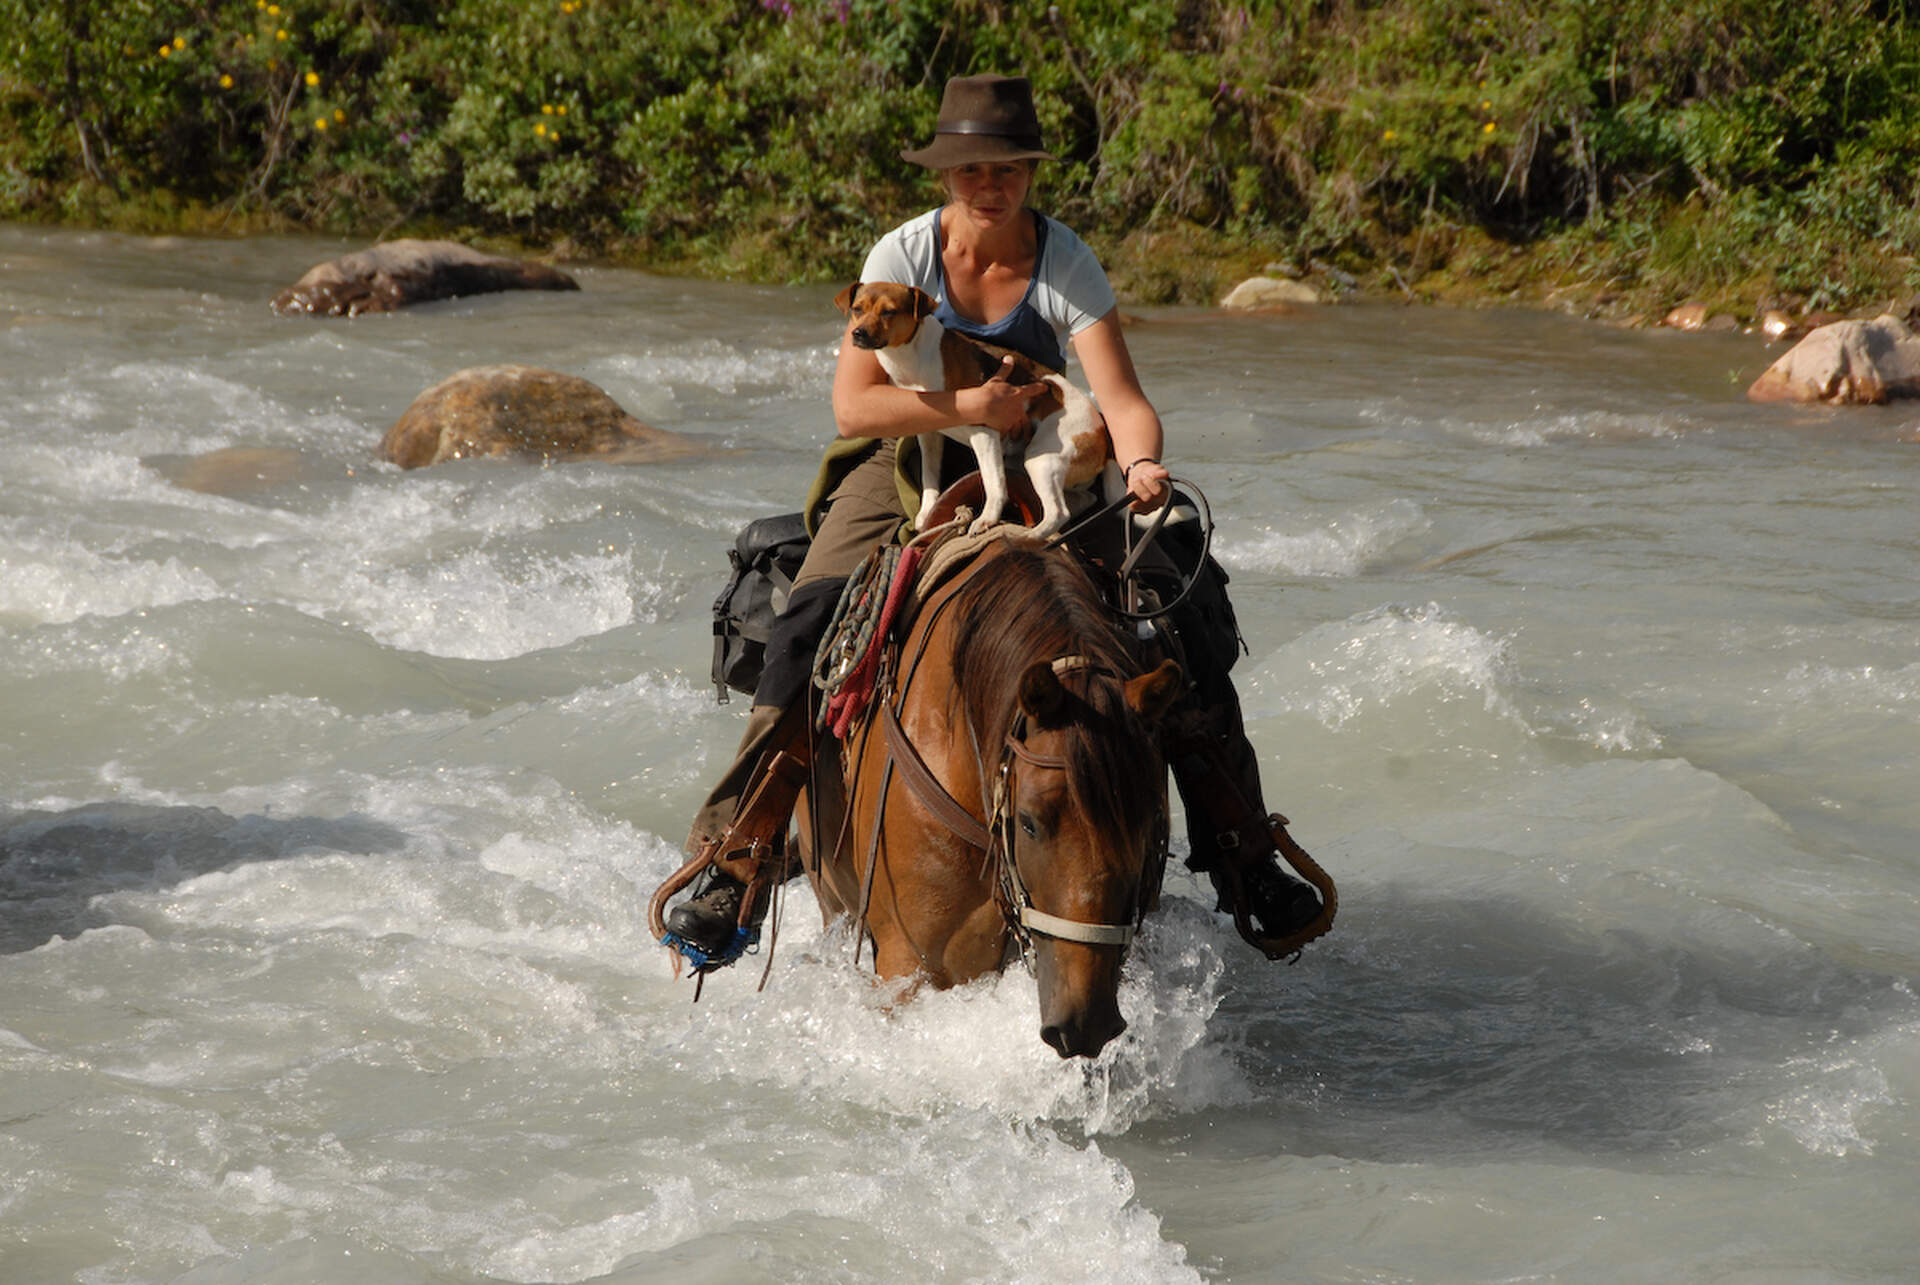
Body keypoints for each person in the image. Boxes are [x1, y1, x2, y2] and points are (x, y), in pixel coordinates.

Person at [665, 73, 1324, 964]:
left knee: (1180, 612)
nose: (991, 184)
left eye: (1008, 167)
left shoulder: (1066, 261)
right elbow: (855, 410)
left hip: (1050, 448)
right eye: (973, 168)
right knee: (809, 616)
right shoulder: (899, 257)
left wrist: (1140, 464)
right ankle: (737, 851)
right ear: (947, 176)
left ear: (1028, 174)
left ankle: (1243, 851)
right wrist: (971, 405)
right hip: (910, 461)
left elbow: (1123, 398)